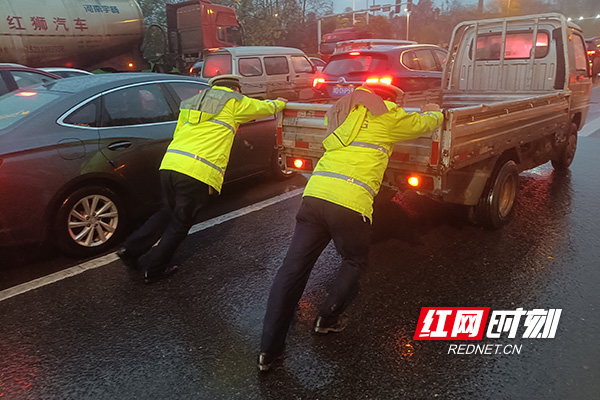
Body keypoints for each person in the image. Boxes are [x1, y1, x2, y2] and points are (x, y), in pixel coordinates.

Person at [258, 81, 443, 371]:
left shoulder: (341, 114)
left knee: (292, 271)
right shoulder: (389, 115)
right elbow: (424, 123)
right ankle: (327, 320)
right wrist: (436, 112)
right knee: (354, 260)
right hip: (350, 202)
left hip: (314, 197)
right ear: (388, 99)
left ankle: (268, 352)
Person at [117, 75, 287, 284]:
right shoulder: (234, 101)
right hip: (196, 171)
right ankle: (155, 268)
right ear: (236, 89)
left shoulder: (191, 104)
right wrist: (281, 102)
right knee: (180, 222)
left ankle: (130, 249)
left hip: (170, 164)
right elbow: (264, 108)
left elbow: (178, 132)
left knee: (167, 211)